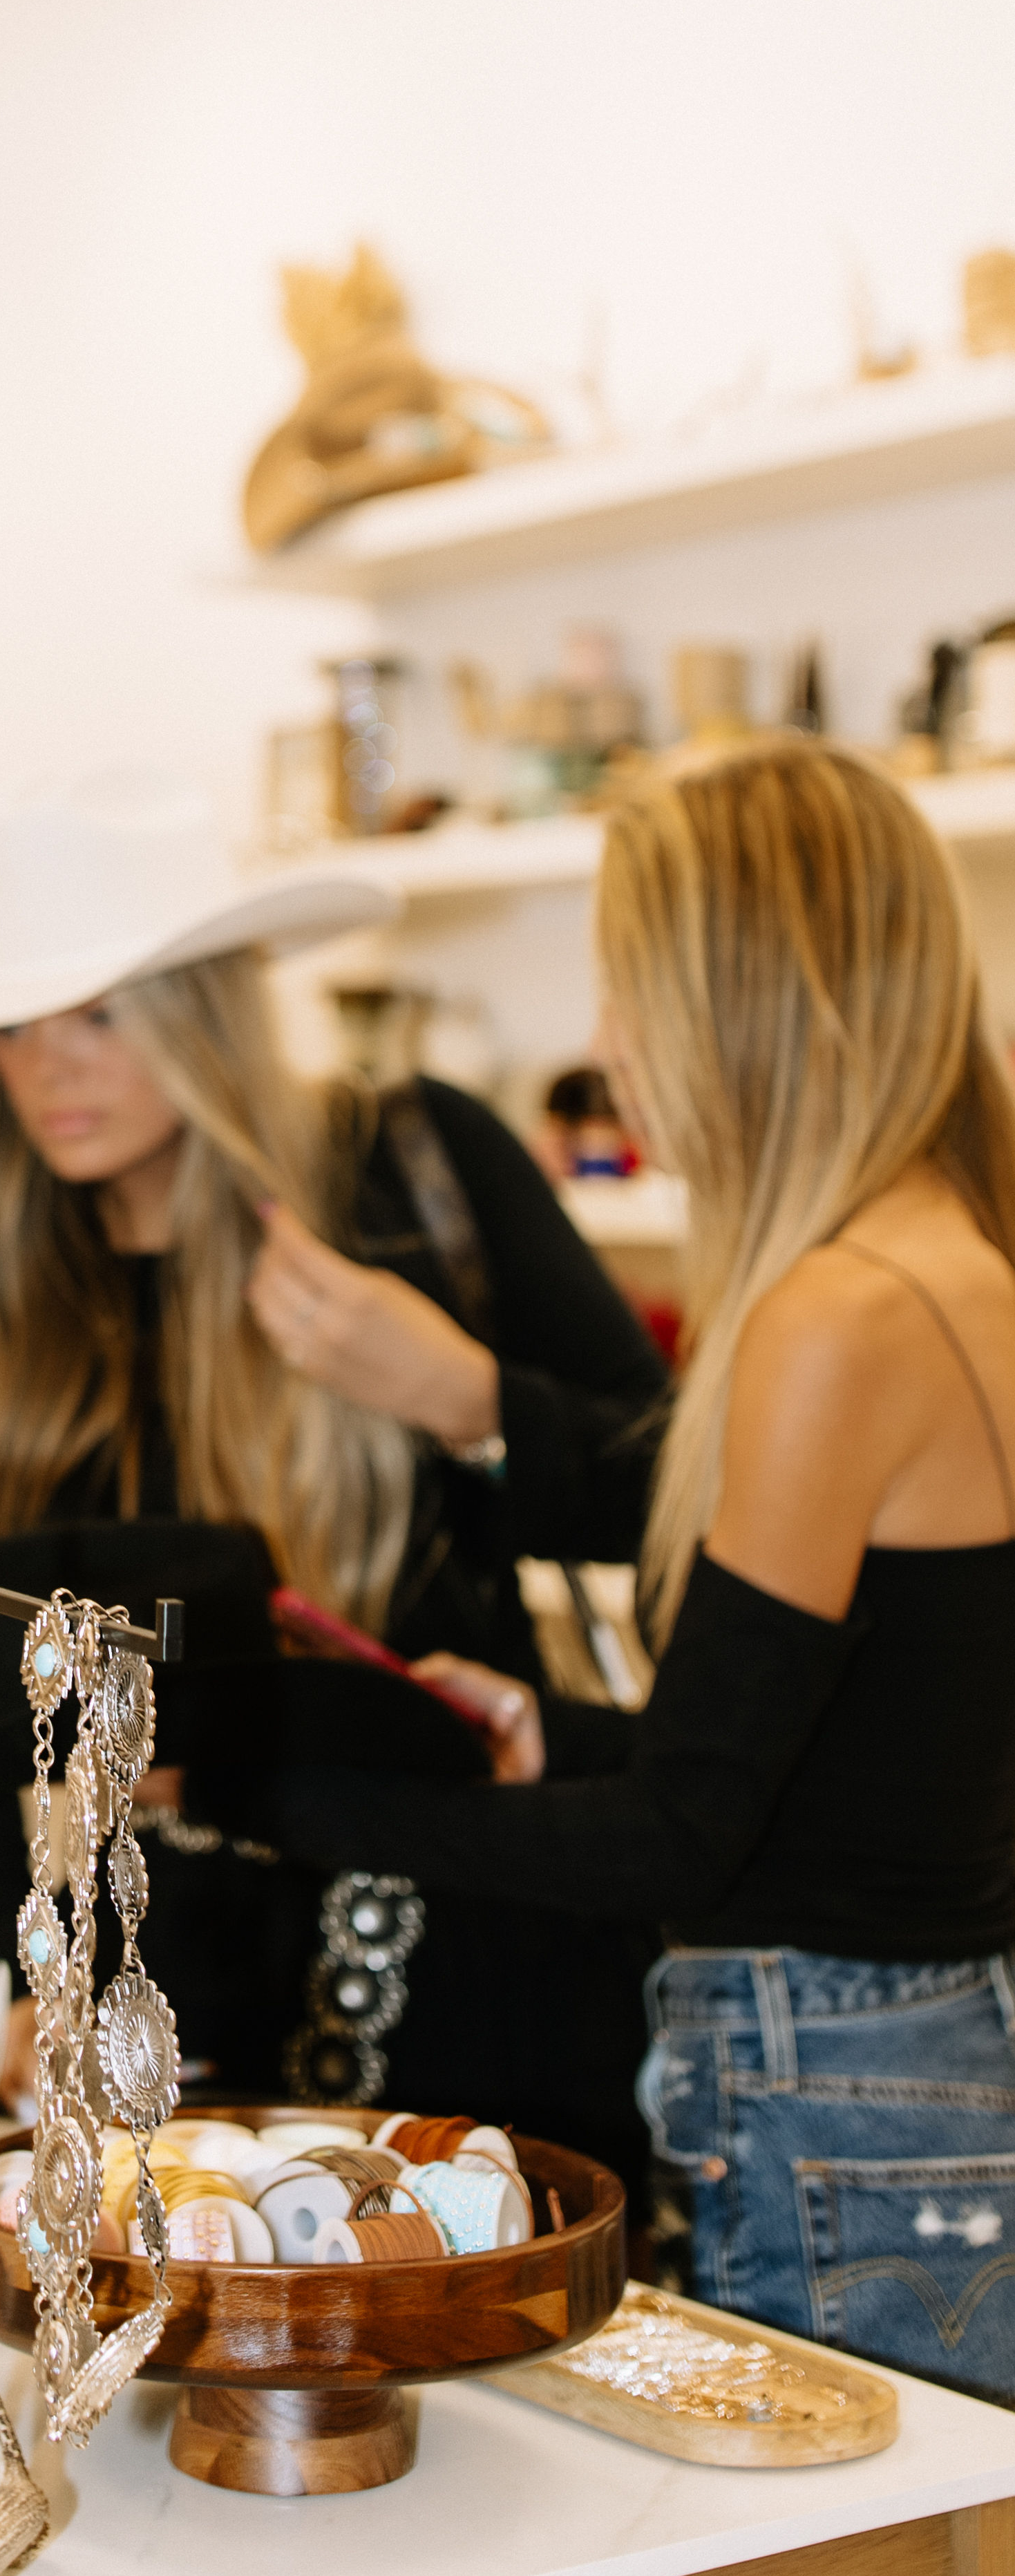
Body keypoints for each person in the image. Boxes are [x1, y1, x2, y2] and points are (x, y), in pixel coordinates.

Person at [253, 738, 1015, 2399]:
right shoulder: (954, 1259)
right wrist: (545, 1729)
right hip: (917, 2067)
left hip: (833, 2096)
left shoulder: (842, 1314)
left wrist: (277, 1789)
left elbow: (682, 1835)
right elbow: (844, 1777)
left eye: (629, 990)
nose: (605, 1048)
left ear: (753, 994)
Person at [0, 777, 670, 2188]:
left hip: (458, 1965)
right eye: (11, 1024)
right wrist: (3, 1984)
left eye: (97, 1011)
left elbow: (678, 1494)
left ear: (202, 1009)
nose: (48, 1067)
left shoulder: (409, 1178)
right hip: (150, 2015)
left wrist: (462, 1398)